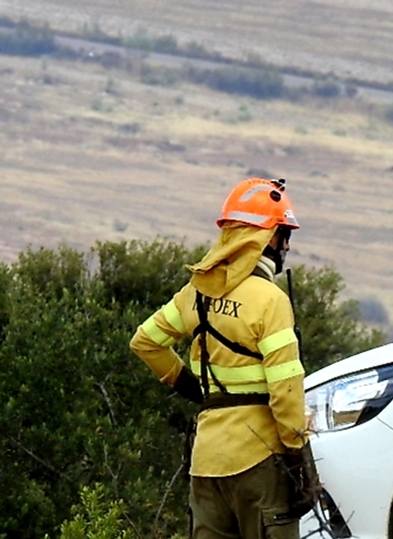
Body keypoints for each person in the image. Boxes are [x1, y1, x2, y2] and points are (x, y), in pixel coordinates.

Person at [129, 177, 317, 539]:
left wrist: (193, 389)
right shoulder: (271, 300)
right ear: (262, 237)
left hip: (206, 461)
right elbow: (286, 391)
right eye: (282, 233)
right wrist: (300, 458)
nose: (287, 245)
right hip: (260, 460)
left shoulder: (195, 294)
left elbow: (145, 342)